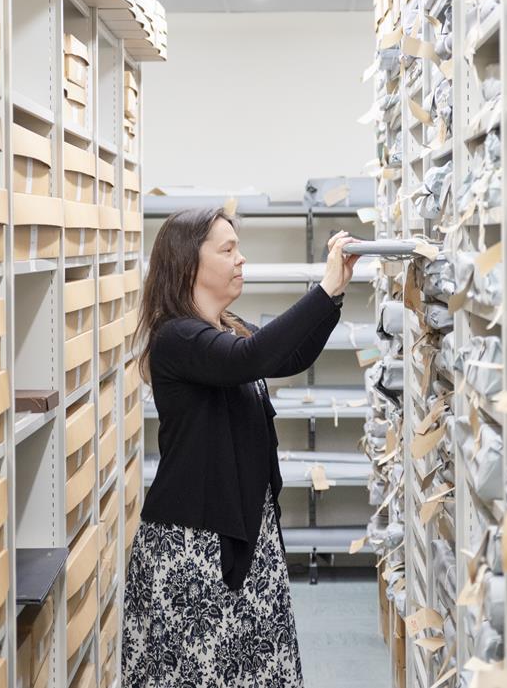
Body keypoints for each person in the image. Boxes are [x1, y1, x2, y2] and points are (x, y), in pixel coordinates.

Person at [121, 207, 361, 687]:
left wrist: (333, 298)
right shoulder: (176, 337)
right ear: (188, 263)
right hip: (193, 549)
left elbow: (286, 356)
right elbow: (253, 358)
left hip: (240, 531)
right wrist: (323, 290)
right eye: (227, 250)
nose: (241, 259)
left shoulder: (223, 325)